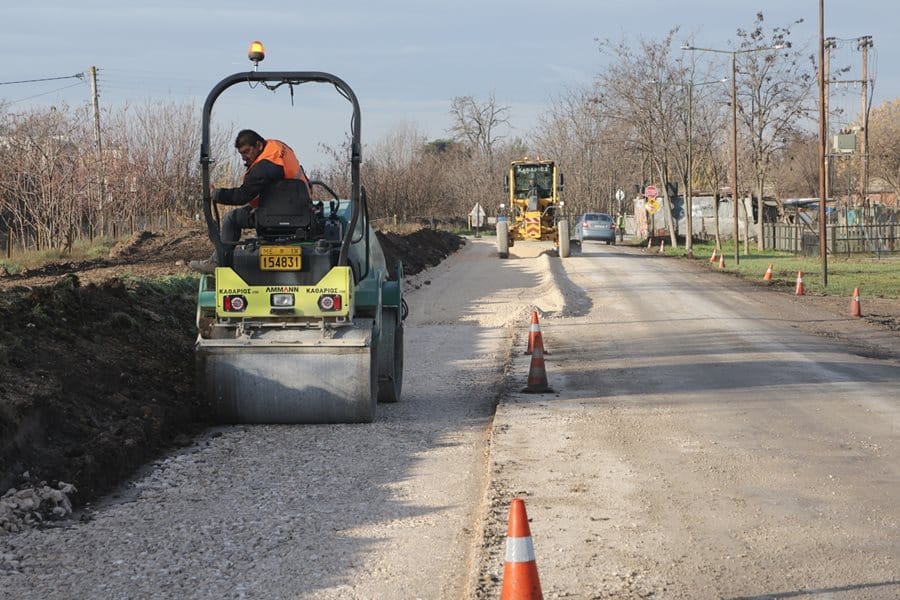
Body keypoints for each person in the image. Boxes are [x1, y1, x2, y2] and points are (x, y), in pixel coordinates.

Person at [190, 129, 310, 273]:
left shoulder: (262, 168)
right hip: (301, 211)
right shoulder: (278, 147)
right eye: (241, 154)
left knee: (231, 219)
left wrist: (217, 194)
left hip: (273, 216)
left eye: (246, 152)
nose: (243, 158)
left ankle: (217, 262)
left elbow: (242, 196)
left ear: (258, 146)